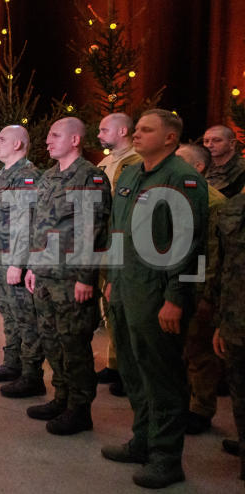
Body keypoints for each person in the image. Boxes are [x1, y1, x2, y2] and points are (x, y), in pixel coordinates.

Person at [101, 109, 207, 489]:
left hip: (158, 295)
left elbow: (192, 246)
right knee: (133, 371)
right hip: (125, 289)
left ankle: (166, 458)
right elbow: (117, 230)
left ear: (170, 138)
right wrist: (112, 278)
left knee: (162, 378)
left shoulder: (183, 178)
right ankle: (142, 441)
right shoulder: (131, 174)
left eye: (147, 130)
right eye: (138, 128)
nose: (137, 134)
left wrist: (176, 298)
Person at [23, 117, 111, 435]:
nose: (48, 140)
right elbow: (40, 226)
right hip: (45, 275)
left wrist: (86, 278)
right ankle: (61, 398)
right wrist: (33, 266)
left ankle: (79, 409)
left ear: (75, 140)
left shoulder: (91, 177)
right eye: (48, 135)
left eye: (55, 135)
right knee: (51, 341)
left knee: (74, 345)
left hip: (72, 279)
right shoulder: (48, 177)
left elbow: (93, 231)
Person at [0, 125, 45, 398]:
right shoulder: (1, 175)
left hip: (15, 259)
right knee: (9, 314)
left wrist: (18, 263)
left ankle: (32, 376)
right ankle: (11, 364)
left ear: (18, 144)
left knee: (25, 318)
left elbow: (26, 224)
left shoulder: (27, 176)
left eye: (1, 139)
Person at [175, 143, 227, 436]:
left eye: (180, 159)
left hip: (199, 286)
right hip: (177, 284)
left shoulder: (213, 201)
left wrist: (208, 296)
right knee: (180, 351)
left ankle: (201, 409)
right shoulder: (174, 196)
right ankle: (181, 403)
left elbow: (216, 254)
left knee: (200, 352)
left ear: (198, 167)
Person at [95, 113, 142, 396]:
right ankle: (115, 361)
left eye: (104, 130)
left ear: (122, 130)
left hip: (125, 243)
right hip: (106, 242)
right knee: (109, 307)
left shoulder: (137, 162)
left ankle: (130, 369)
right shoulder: (105, 163)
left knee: (125, 309)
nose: (99, 134)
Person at [209, 193, 245, 484]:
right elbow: (223, 266)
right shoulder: (234, 206)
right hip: (234, 317)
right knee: (239, 389)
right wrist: (220, 321)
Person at [203, 124, 245, 197]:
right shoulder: (203, 165)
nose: (209, 145)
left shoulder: (242, 168)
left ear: (232, 143)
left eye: (217, 140)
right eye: (206, 141)